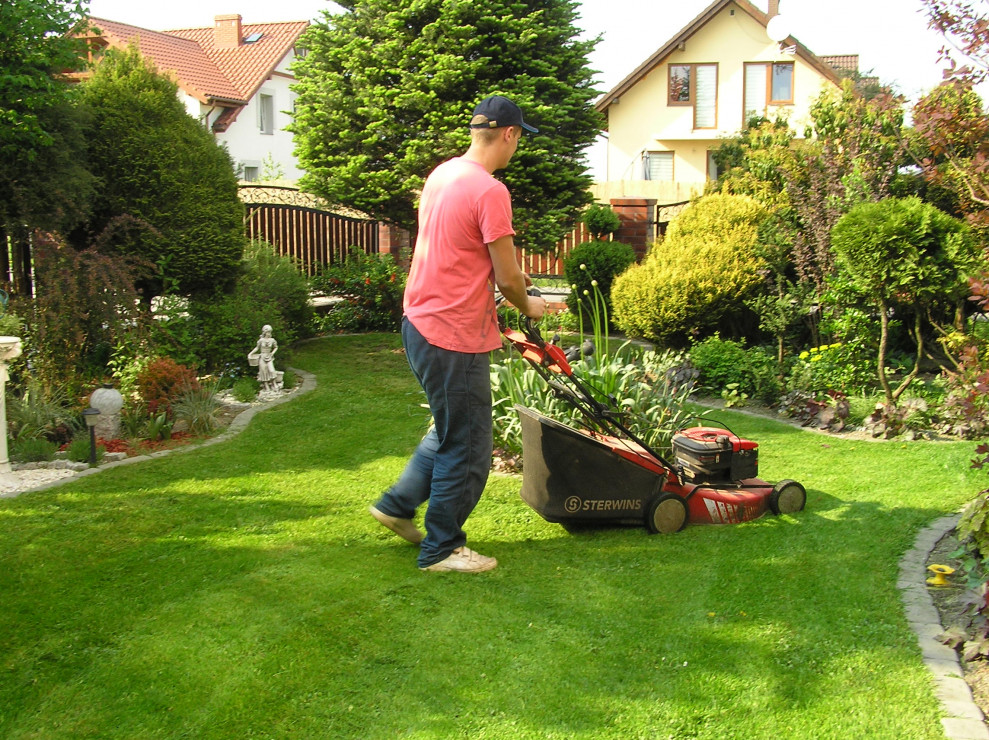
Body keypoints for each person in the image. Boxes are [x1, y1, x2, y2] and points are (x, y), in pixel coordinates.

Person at [370, 94, 547, 573]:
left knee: (449, 432)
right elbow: (507, 281)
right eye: (518, 139)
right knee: (468, 445)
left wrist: (513, 278)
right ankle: (442, 548)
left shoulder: (443, 174)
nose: (516, 148)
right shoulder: (490, 190)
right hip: (453, 334)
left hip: (420, 324)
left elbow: (463, 249)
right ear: (509, 134)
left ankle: (395, 506)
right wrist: (530, 303)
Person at [249, 325, 279, 391]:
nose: (269, 333)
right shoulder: (261, 340)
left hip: (269, 356)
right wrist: (250, 353)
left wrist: (272, 353)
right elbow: (257, 348)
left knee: (272, 370)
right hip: (262, 357)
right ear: (264, 332)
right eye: (267, 332)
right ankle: (266, 385)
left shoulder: (272, 340)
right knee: (263, 371)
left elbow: (276, 347)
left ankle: (274, 383)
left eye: (270, 332)